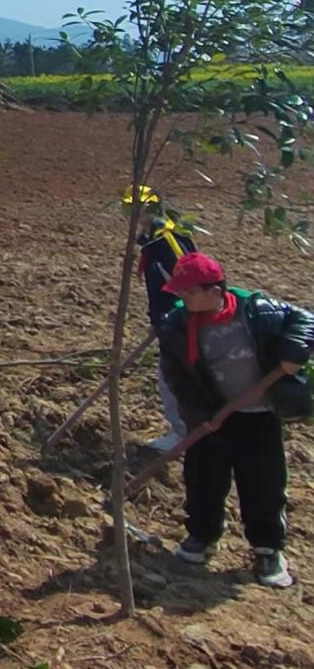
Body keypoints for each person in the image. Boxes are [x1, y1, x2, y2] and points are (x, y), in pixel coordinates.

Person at [158, 252, 312, 588]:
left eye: (189, 292)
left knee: (263, 486)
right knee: (202, 480)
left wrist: (294, 352)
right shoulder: (177, 325)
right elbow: (176, 375)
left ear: (213, 289)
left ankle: (267, 549)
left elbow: (304, 320)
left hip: (258, 417)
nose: (183, 299)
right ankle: (201, 535)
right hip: (211, 416)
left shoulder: (257, 311)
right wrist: (199, 416)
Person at [124, 185, 198, 451]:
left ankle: (182, 433)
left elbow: (188, 282)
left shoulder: (166, 241)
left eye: (135, 208)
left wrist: (170, 320)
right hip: (171, 320)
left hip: (183, 321)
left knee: (172, 376)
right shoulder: (152, 240)